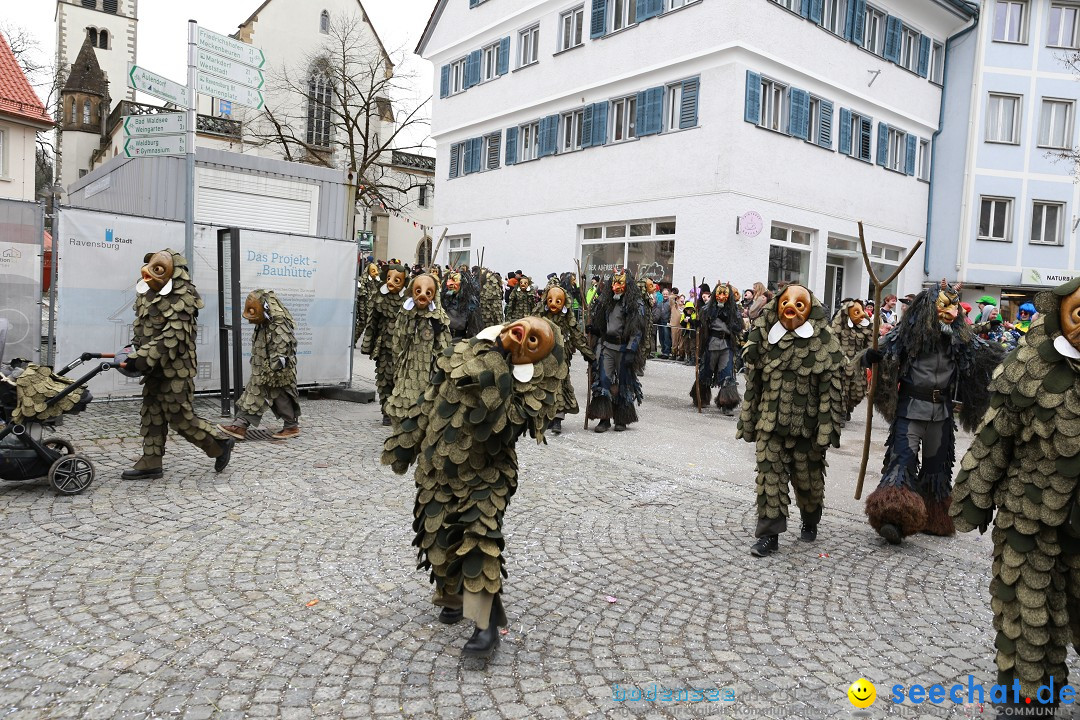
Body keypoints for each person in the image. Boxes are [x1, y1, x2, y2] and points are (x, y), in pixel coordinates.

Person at [382, 317, 564, 660]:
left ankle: (485, 627)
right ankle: (453, 596)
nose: (524, 337)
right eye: (525, 327)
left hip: (485, 475)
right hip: (437, 467)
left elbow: (499, 425)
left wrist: (498, 358)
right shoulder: (461, 350)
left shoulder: (522, 391)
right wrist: (405, 442)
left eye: (535, 341)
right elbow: (430, 398)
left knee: (478, 542)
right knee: (435, 537)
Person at [951, 279, 1080, 717]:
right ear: (1059, 313)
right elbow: (994, 437)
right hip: (1029, 511)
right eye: (1078, 314)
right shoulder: (1027, 365)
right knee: (1026, 611)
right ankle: (1029, 694)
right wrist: (974, 498)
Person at [862, 280, 1004, 545]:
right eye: (944, 306)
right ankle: (892, 518)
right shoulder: (908, 335)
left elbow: (985, 354)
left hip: (942, 414)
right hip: (911, 410)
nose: (951, 312)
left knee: (937, 469)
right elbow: (881, 348)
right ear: (929, 309)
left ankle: (933, 518)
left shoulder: (960, 340)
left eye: (954, 307)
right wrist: (871, 356)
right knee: (901, 462)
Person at [737, 285, 844, 557]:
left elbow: (829, 394)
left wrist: (825, 431)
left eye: (799, 304)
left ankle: (810, 517)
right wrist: (749, 422)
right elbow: (754, 387)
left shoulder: (824, 343)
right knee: (769, 480)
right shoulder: (764, 339)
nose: (791, 308)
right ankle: (768, 535)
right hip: (770, 425)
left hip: (806, 430)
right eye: (786, 302)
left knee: (808, 482)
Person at [119, 249, 234, 479]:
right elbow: (143, 330)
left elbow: (174, 335)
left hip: (175, 367)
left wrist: (141, 357)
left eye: (157, 268)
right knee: (152, 413)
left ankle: (219, 444)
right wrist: (133, 350)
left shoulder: (183, 296)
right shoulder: (146, 294)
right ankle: (151, 460)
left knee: (179, 416)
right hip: (153, 366)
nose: (148, 273)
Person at [217, 289, 301, 441]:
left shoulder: (278, 321)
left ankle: (289, 426)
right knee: (258, 393)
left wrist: (274, 369)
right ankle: (241, 426)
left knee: (276, 395)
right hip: (263, 367)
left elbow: (283, 345)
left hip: (275, 370)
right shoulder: (265, 321)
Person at [384, 274, 451, 427]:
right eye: (418, 291)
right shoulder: (405, 313)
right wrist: (399, 361)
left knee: (427, 403)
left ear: (434, 295)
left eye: (428, 293)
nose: (422, 295)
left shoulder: (438, 317)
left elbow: (443, 345)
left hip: (429, 368)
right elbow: (398, 339)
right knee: (404, 399)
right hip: (407, 366)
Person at [586, 269, 646, 432]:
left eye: (620, 283)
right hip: (607, 348)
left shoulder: (635, 304)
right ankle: (604, 418)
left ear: (627, 285)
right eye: (614, 282)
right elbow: (601, 326)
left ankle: (622, 418)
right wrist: (594, 330)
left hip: (624, 348)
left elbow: (637, 330)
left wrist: (631, 351)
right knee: (603, 381)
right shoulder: (605, 302)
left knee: (624, 383)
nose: (616, 286)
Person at [533, 282, 594, 434]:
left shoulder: (567, 319)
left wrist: (588, 353)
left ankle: (558, 420)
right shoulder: (540, 317)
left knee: (560, 386)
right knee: (544, 386)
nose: (553, 304)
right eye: (550, 300)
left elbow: (576, 337)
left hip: (562, 358)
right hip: (544, 358)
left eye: (558, 301)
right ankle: (547, 417)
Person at [362, 262, 408, 426]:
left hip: (403, 349)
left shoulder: (408, 301)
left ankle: (400, 410)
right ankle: (386, 411)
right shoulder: (379, 297)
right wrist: (368, 345)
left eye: (397, 280)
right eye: (389, 278)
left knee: (401, 380)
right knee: (384, 379)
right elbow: (371, 322)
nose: (391, 282)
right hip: (384, 347)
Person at [690, 282, 742, 414]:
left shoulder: (733, 310)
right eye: (719, 293)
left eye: (725, 293)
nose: (721, 296)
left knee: (727, 374)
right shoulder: (708, 308)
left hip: (726, 345)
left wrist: (728, 320)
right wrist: (696, 322)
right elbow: (701, 321)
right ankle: (701, 397)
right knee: (706, 372)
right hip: (711, 344)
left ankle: (727, 404)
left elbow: (739, 327)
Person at [828, 299, 873, 423]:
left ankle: (848, 408)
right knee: (841, 389)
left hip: (858, 364)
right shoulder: (839, 324)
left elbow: (870, 345)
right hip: (840, 364)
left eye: (862, 311)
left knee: (857, 391)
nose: (862, 315)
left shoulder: (867, 326)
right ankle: (840, 412)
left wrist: (867, 356)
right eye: (857, 312)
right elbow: (833, 342)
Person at [441, 269, 482, 341]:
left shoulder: (470, 302)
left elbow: (475, 329)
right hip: (444, 340)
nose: (449, 283)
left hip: (460, 341)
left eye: (454, 280)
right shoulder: (443, 300)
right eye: (449, 280)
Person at [654, 288, 672, 359]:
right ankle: (663, 351)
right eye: (664, 294)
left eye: (666, 294)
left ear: (669, 294)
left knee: (666, 338)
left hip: (666, 322)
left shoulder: (670, 303)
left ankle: (667, 352)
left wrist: (669, 321)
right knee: (661, 337)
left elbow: (671, 313)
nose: (665, 295)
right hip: (660, 322)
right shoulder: (659, 303)